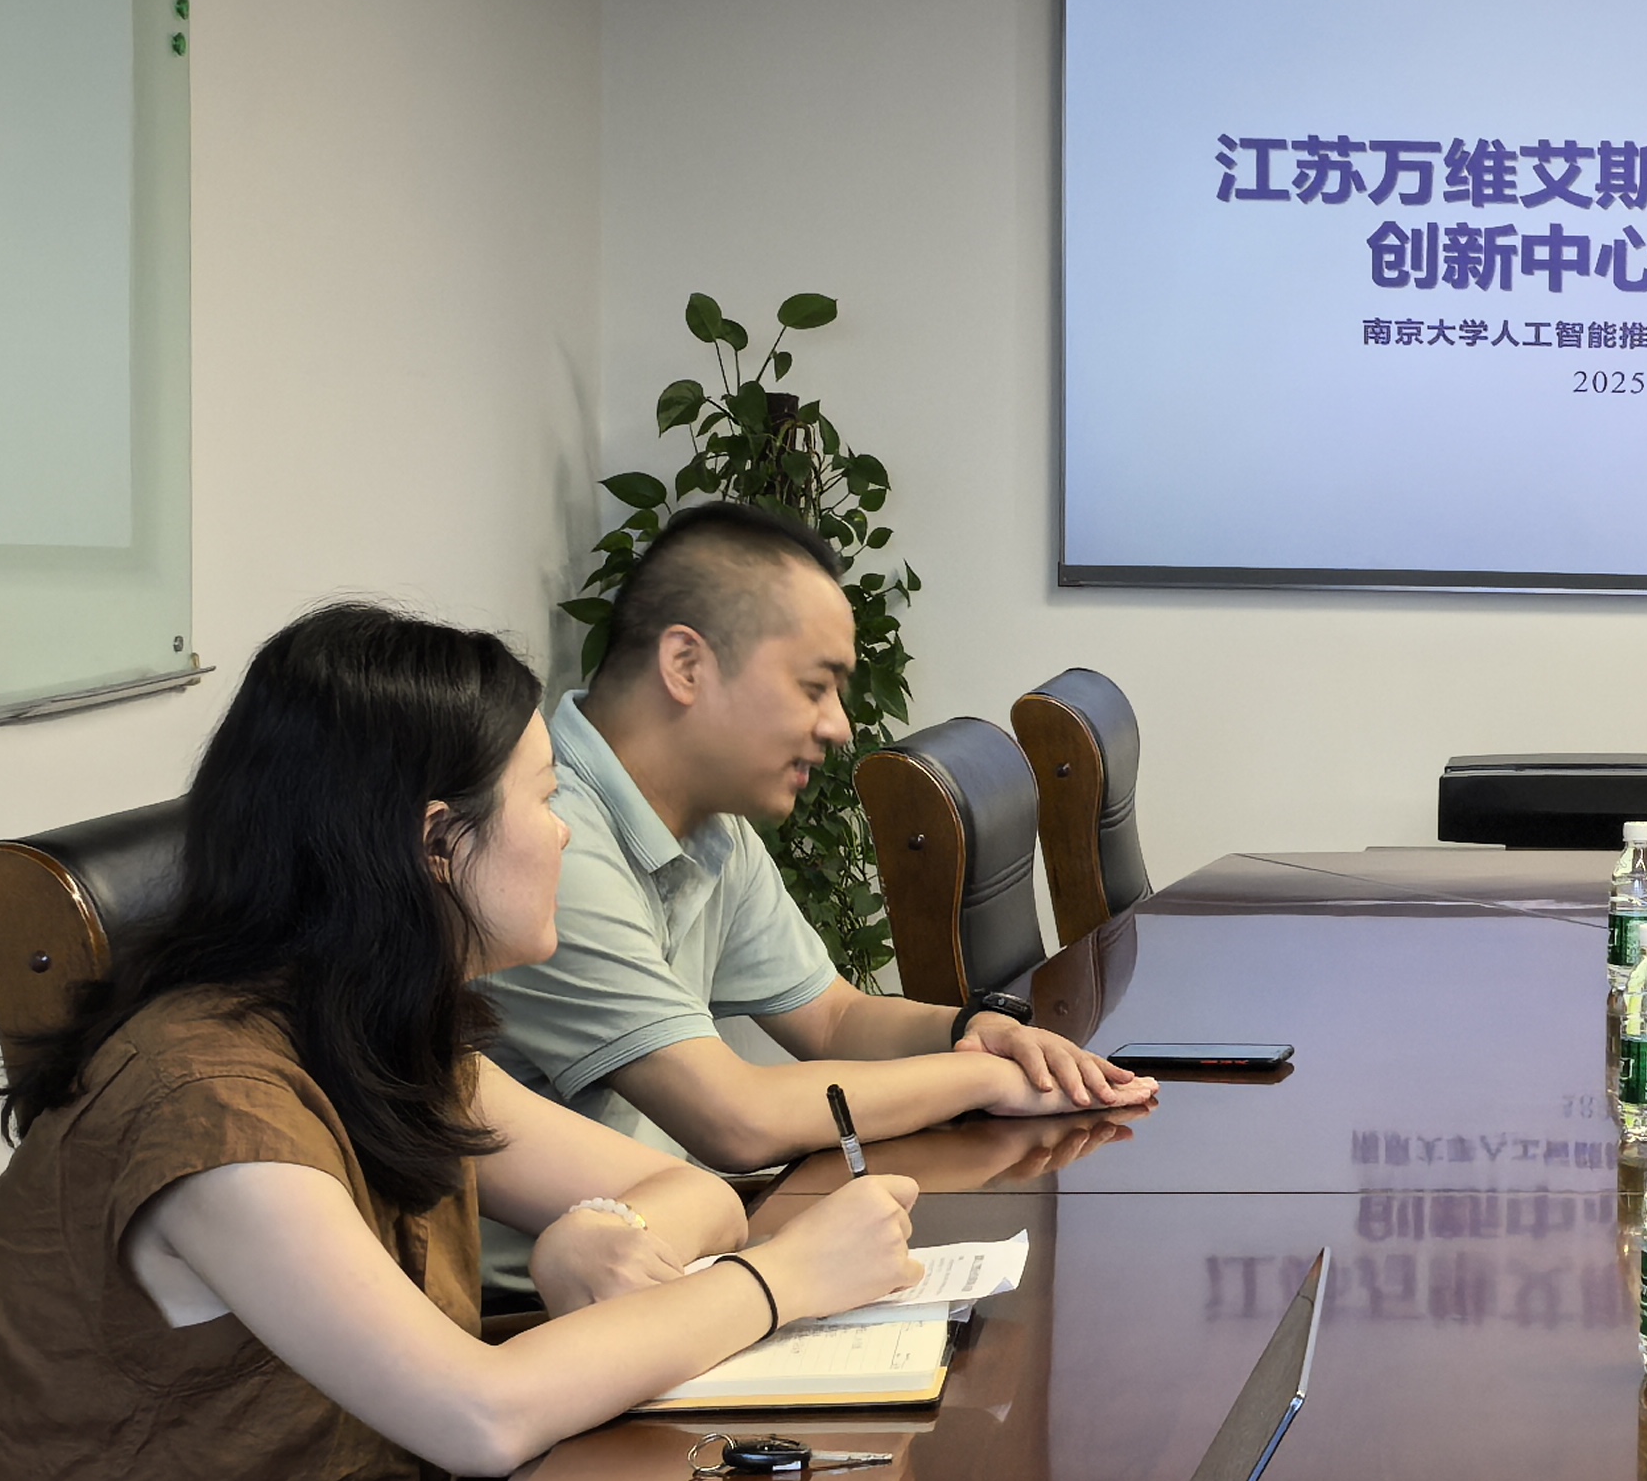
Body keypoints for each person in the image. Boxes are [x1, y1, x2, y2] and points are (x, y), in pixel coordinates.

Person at [0, 605, 928, 1481]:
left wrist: (604, 1235)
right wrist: (778, 1282)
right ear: (439, 842)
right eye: (544, 799)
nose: (565, 834)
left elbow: (684, 1189)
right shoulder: (210, 1104)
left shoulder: (369, 1030)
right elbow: (477, 1416)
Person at [476, 502, 1151, 1288]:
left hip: (681, 1239)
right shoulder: (545, 842)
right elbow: (734, 1119)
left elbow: (832, 1018)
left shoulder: (709, 824)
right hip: (553, 1298)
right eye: (815, 687)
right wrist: (987, 1077)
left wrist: (976, 1029)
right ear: (686, 666)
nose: (838, 726)